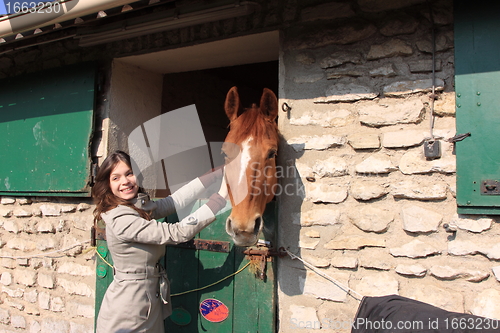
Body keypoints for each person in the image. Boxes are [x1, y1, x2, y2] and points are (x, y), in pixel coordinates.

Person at [92, 150, 227, 333]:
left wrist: (213, 175)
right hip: (129, 310)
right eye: (116, 178)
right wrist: (220, 199)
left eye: (129, 174)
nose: (125, 181)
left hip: (145, 300)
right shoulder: (121, 218)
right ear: (107, 183)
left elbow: (173, 202)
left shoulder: (134, 207)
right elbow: (177, 232)